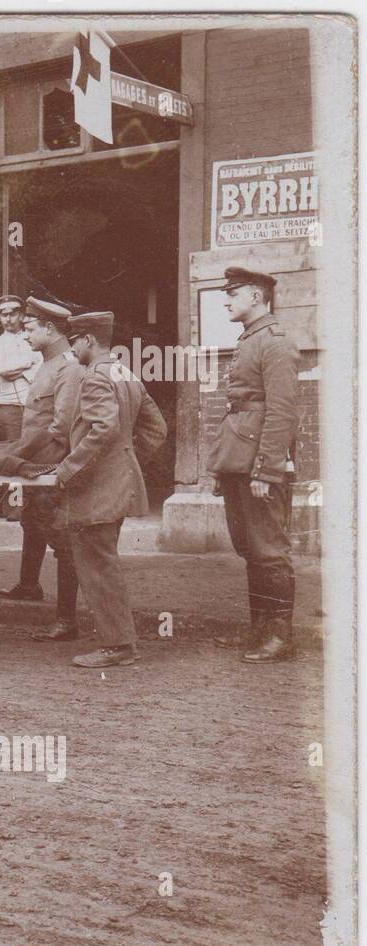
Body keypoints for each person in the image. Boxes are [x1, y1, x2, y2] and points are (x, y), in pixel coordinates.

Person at [49, 311, 167, 667]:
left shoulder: (95, 377)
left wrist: (68, 468)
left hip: (96, 489)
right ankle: (119, 642)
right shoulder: (124, 372)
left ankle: (118, 646)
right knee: (104, 563)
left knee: (97, 567)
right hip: (116, 484)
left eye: (74, 341)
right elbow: (156, 429)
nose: (71, 349)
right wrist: (125, 462)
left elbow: (103, 428)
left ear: (88, 340)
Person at [206, 266, 300, 663]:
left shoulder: (275, 342)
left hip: (258, 465)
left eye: (233, 293)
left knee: (269, 550)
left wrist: (267, 469)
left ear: (257, 296)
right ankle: (259, 629)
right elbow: (241, 409)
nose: (226, 301)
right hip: (239, 461)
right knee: (249, 547)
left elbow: (282, 412)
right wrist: (224, 466)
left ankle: (280, 636)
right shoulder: (251, 338)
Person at [0, 297, 83, 641]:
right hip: (35, 464)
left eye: (30, 328)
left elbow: (61, 428)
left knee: (62, 540)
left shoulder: (68, 368)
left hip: (50, 465)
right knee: (31, 522)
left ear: (50, 329)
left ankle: (66, 619)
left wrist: (21, 455)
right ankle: (29, 584)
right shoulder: (46, 364)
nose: (25, 335)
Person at [0, 294, 43, 442]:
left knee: (34, 445)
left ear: (22, 316)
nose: (8, 319)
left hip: (34, 402)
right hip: (8, 405)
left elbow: (40, 368)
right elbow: (1, 370)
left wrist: (17, 372)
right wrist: (28, 363)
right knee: (12, 446)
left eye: (12, 314)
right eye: (4, 315)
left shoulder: (33, 339)